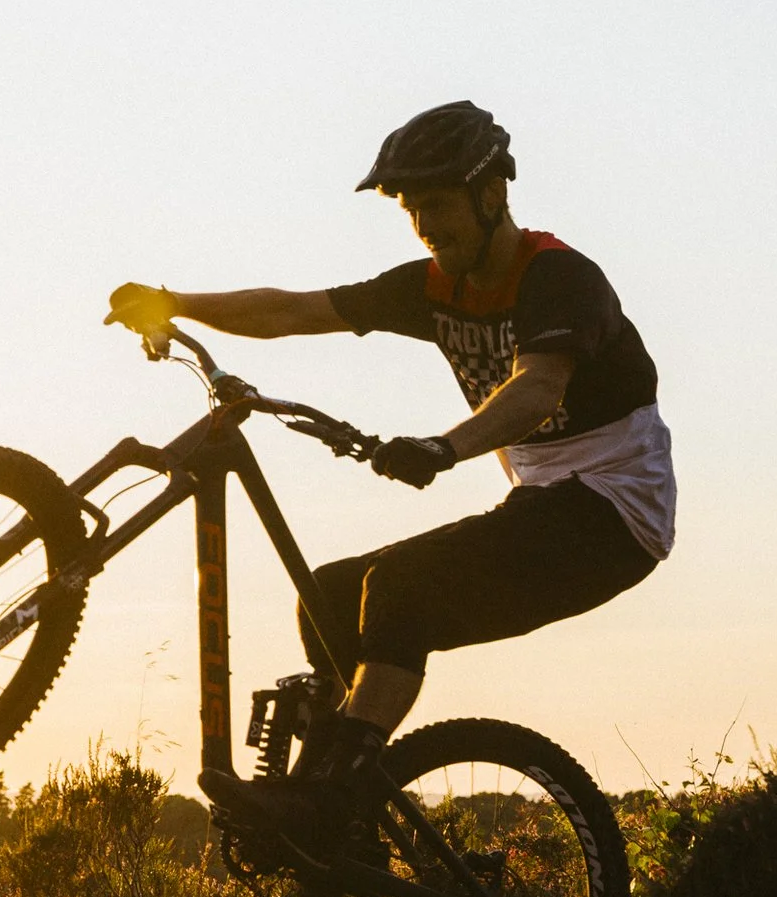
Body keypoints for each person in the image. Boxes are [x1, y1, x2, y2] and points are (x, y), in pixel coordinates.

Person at [104, 101, 675, 831]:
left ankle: (336, 794)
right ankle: (347, 826)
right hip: (540, 505)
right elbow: (293, 311)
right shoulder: (434, 287)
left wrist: (444, 447)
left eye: (438, 205)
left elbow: (538, 388)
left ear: (492, 195)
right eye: (411, 210)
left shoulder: (560, 279)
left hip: (611, 516)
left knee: (402, 586)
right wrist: (175, 300)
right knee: (333, 596)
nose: (426, 226)